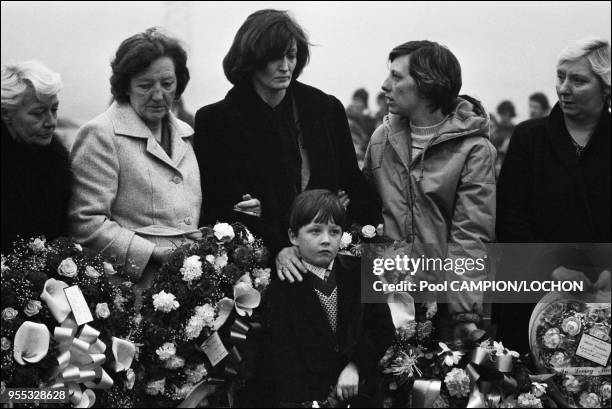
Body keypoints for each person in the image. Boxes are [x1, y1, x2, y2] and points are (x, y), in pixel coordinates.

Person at [194, 9, 379, 280]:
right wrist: (275, 243)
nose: (285, 66)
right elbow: (213, 207)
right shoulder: (216, 120)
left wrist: (347, 221)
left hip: (330, 255)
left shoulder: (325, 109)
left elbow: (353, 186)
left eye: (291, 56)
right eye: (274, 57)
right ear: (251, 60)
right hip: (257, 266)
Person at [363, 40, 496, 341]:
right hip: (386, 299)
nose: (385, 85)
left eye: (397, 77)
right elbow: (366, 213)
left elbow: (470, 237)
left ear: (427, 85)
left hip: (445, 308)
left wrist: (463, 314)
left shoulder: (474, 150)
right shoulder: (382, 138)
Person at [494, 37, 610, 352]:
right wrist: (553, 268)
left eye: (578, 80)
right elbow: (508, 217)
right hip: (534, 296)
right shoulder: (528, 138)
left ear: (606, 87)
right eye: (561, 76)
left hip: (604, 297)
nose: (564, 87)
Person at [68, 28, 202, 287]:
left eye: (167, 84)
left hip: (186, 285)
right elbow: (85, 223)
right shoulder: (101, 133)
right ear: (125, 86)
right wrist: (151, 253)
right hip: (129, 289)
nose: (158, 94)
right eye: (145, 85)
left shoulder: (186, 133)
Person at [267, 189, 394, 407]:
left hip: (359, 392)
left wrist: (356, 364)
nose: (326, 240)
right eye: (315, 231)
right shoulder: (282, 288)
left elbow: (381, 327)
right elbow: (283, 356)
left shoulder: (361, 272)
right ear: (293, 236)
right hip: (309, 395)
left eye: (334, 232)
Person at [1, 61, 70, 251]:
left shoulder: (57, 161)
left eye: (54, 110)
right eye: (38, 113)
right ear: (6, 114)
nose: (51, 122)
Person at [491, 100, 516, 175]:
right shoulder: (495, 128)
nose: (502, 117)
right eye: (501, 114)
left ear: (510, 114)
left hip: (508, 163)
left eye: (504, 114)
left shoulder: (515, 130)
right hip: (493, 162)